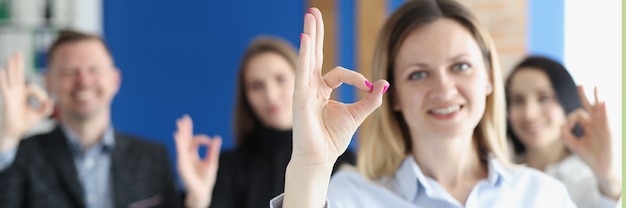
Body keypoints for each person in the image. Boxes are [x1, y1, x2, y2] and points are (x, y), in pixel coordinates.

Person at [274, 1, 577, 207]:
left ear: (488, 77)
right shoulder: (352, 196)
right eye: (418, 74)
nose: (444, 88)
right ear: (392, 95)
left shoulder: (544, 195)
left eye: (460, 66)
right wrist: (310, 165)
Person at [0, 30, 181, 208]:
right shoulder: (21, 156)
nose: (84, 81)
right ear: (49, 83)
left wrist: (198, 201)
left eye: (94, 70)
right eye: (69, 72)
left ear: (115, 80)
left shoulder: (152, 158)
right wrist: (7, 139)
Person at [173, 37, 356, 208]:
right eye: (256, 86)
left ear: (302, 80)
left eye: (281, 79)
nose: (271, 95)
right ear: (246, 97)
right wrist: (198, 199)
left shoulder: (346, 164)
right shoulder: (225, 168)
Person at [506, 56, 622, 208]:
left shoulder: (585, 180)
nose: (529, 114)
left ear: (566, 99)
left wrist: (608, 178)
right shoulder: (500, 171)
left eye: (544, 98)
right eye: (518, 100)